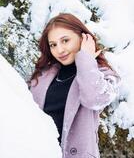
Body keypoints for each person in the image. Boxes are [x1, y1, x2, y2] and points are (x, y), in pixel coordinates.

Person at [29, 13, 119, 158]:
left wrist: (86, 59)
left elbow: (93, 99)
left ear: (83, 38)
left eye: (65, 40)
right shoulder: (43, 75)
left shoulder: (104, 75)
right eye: (53, 45)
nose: (59, 50)